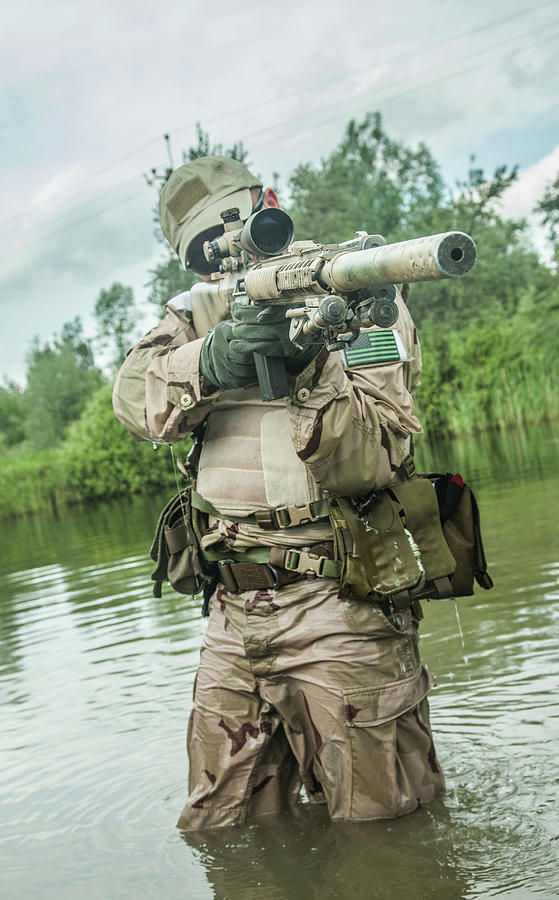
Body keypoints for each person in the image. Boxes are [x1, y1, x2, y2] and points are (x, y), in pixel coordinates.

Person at [112, 155, 445, 829]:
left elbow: (374, 460)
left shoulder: (358, 294)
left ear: (269, 204)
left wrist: (305, 362)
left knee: (387, 836)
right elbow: (131, 400)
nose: (221, 259)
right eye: (204, 250)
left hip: (342, 604)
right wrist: (215, 358)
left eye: (231, 235)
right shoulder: (197, 313)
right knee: (225, 833)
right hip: (232, 615)